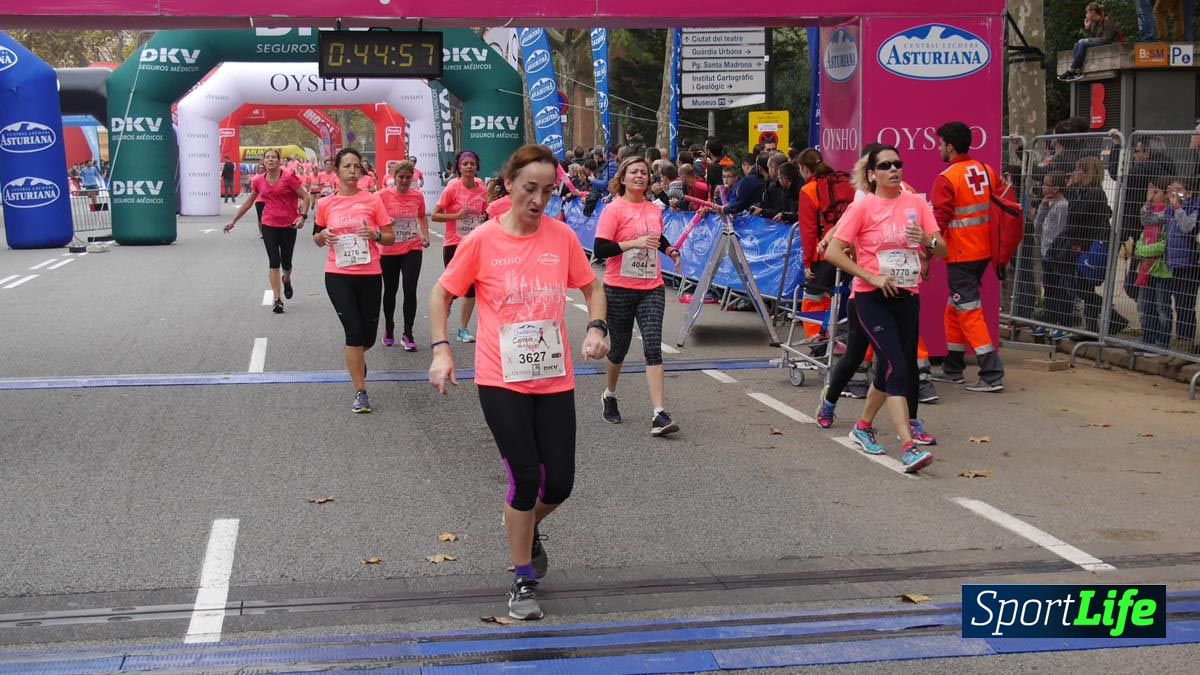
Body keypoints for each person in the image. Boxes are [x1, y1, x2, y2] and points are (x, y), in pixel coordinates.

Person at [428, 144, 609, 621]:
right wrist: (442, 349)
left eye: (548, 191)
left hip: (553, 377)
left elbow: (591, 285)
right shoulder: (483, 240)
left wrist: (596, 326)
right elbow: (441, 294)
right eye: (530, 188)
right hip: (499, 377)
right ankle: (522, 577)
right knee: (525, 477)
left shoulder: (562, 236)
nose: (539, 199)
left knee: (561, 484)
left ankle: (523, 526)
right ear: (508, 184)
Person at [822, 145, 947, 473]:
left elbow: (943, 248)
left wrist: (927, 241)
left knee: (893, 367)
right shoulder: (863, 207)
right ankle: (907, 446)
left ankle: (862, 426)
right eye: (886, 165)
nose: (894, 170)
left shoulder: (916, 204)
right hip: (870, 297)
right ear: (872, 174)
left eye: (898, 164)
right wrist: (870, 277)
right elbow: (834, 252)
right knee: (895, 366)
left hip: (907, 296)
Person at [593, 156, 683, 436]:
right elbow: (601, 249)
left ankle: (659, 413)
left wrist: (669, 251)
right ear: (623, 177)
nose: (640, 176)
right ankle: (609, 394)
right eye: (634, 172)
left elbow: (657, 237)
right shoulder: (614, 210)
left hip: (651, 287)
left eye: (644, 173)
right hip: (619, 287)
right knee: (619, 348)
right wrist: (633, 243)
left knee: (653, 346)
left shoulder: (653, 209)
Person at [313, 149, 395, 413]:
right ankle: (360, 391)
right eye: (346, 166)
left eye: (356, 166)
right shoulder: (325, 203)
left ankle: (357, 357)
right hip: (338, 274)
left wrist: (375, 234)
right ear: (336, 171)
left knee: (367, 337)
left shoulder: (373, 200)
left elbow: (390, 236)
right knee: (353, 333)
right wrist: (323, 235)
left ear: (361, 172)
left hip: (370, 273)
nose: (351, 171)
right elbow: (316, 237)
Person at [930, 122, 1005, 392]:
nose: (938, 148)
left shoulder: (947, 178)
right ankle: (953, 367)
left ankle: (991, 372)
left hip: (961, 253)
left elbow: (939, 220)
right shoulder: (987, 171)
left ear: (949, 146)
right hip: (985, 252)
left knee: (968, 312)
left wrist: (926, 252)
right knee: (955, 308)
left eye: (940, 144)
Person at [224, 149, 311, 313]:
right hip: (269, 224)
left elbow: (305, 197)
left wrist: (303, 217)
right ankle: (278, 299)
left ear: (279, 161)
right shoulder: (257, 180)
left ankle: (287, 279)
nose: (270, 160)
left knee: (286, 262)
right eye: (267, 157)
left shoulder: (288, 178)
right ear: (263, 162)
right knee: (273, 260)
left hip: (289, 224)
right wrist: (233, 221)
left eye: (274, 157)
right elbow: (249, 202)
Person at [432, 151, 488, 343]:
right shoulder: (452, 188)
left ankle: (462, 329)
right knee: (453, 286)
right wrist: (456, 216)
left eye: (472, 163)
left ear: (477, 166)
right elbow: (435, 215)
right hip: (454, 243)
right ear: (459, 167)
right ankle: (446, 305)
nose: (469, 167)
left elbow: (485, 212)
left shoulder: (482, 188)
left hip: (475, 243)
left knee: (471, 287)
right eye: (465, 164)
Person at [378, 161, 431, 351]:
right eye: (401, 177)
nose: (405, 181)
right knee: (390, 290)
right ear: (394, 177)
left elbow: (422, 216)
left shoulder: (417, 195)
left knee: (410, 289)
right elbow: (372, 215)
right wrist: (384, 222)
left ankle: (408, 333)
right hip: (390, 248)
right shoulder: (383, 195)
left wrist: (424, 234)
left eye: (408, 178)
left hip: (412, 246)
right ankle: (389, 327)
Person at [1134, 179, 1173, 355]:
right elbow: (1139, 244)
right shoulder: (1151, 216)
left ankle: (1161, 343)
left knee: (1162, 308)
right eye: (1149, 190)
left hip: (1162, 270)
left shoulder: (1169, 215)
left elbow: (1164, 245)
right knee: (1144, 306)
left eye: (1155, 191)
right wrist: (1148, 202)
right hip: (1146, 269)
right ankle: (1146, 338)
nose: (1151, 194)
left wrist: (1146, 251)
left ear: (1166, 195)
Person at [1033, 172, 1075, 335]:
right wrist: (1042, 208)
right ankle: (1048, 320)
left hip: (1056, 253)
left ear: (1056, 188)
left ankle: (1063, 323)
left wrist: (1054, 249)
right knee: (1048, 288)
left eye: (1047, 185)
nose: (1043, 188)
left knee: (1059, 289)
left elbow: (1060, 230)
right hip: (1045, 252)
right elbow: (1037, 226)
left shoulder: (1062, 206)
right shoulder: (1048, 204)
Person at [1163, 177, 1200, 353]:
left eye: (1177, 191)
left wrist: (1178, 207)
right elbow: (1156, 222)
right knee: (1179, 304)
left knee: (1186, 304)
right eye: (1171, 191)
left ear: (1189, 192)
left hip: (1190, 262)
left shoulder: (1194, 207)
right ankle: (1180, 343)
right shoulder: (1172, 208)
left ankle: (1186, 345)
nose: (1173, 195)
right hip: (1175, 260)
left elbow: (1187, 227)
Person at [1059, 3, 1120, 82]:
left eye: (1087, 13)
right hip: (1101, 43)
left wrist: (1088, 40)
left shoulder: (1107, 20)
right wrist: (1087, 29)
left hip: (1111, 43)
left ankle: (1072, 70)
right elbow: (1092, 37)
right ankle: (1076, 71)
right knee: (1077, 44)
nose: (1086, 15)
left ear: (1092, 12)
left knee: (1083, 43)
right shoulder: (1094, 23)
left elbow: (1106, 39)